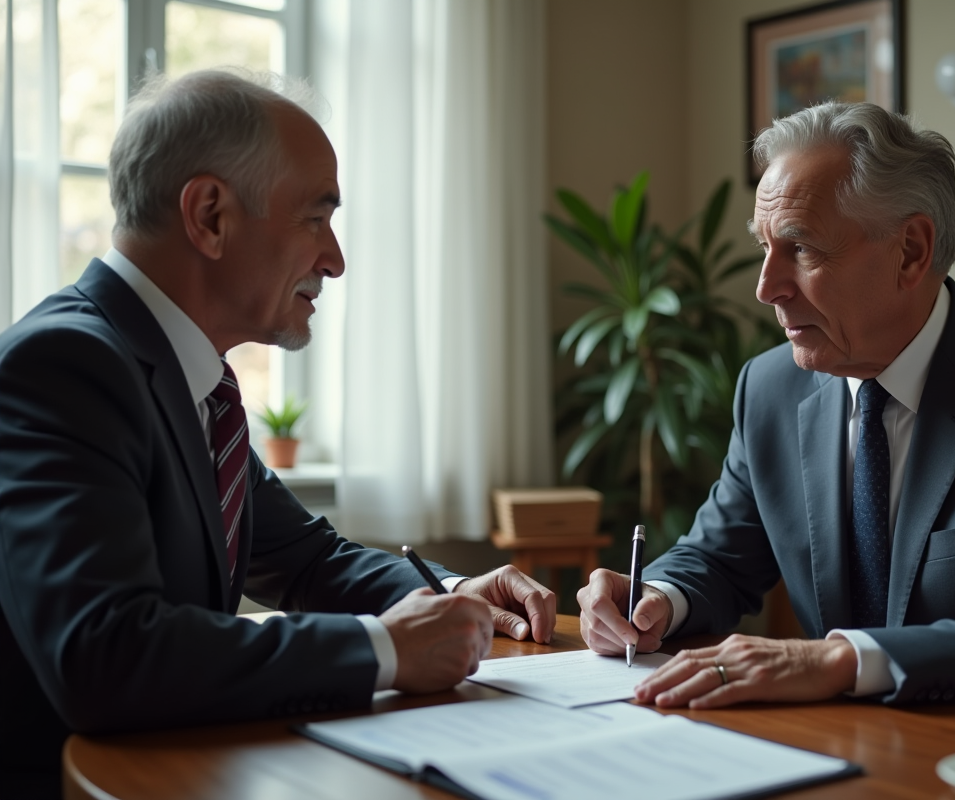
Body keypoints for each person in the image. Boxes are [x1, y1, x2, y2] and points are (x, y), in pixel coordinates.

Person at [0, 70, 555, 796]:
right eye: (315, 217)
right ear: (209, 215)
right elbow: (104, 655)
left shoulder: (184, 379)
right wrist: (383, 649)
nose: (336, 259)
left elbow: (305, 560)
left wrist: (454, 590)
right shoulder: (67, 366)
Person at [578, 101, 955, 710]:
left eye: (799, 248)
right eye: (763, 248)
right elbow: (720, 555)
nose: (767, 287)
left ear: (910, 251)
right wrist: (658, 597)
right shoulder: (769, 387)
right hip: (848, 747)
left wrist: (837, 659)